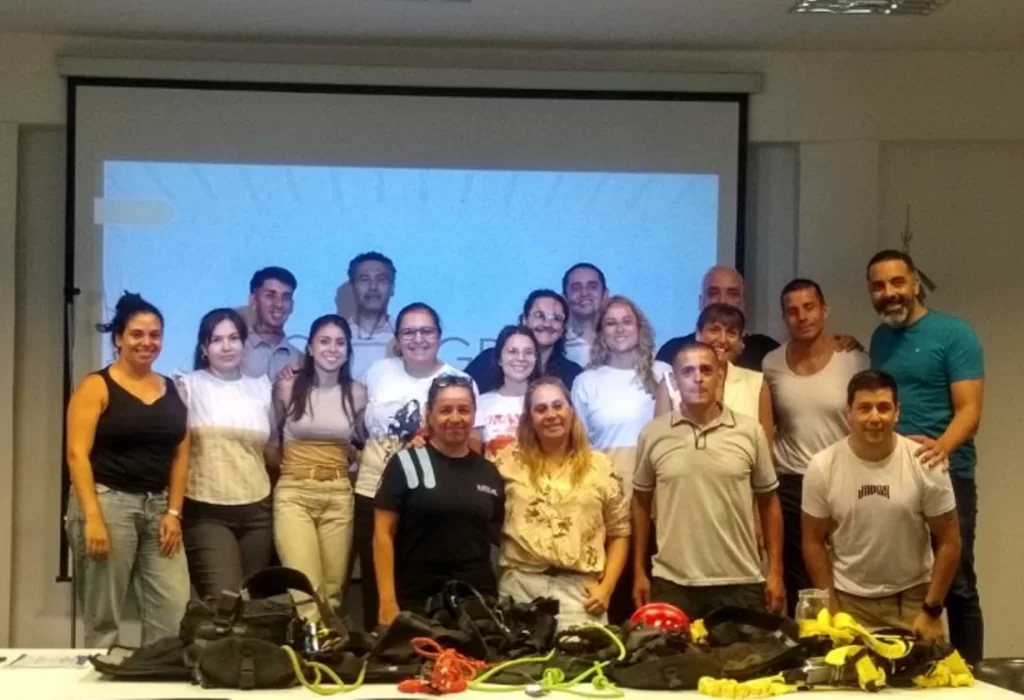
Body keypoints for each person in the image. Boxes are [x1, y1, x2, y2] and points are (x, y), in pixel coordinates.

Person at [866, 250, 984, 662]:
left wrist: (939, 448)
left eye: (897, 282)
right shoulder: (880, 339)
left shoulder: (954, 334)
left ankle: (971, 675)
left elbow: (970, 411)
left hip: (947, 474)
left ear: (915, 283)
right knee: (909, 580)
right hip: (896, 478)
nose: (889, 292)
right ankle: (918, 670)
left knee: (958, 583)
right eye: (878, 286)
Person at [64, 293, 189, 647]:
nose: (147, 342)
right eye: (137, 334)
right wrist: (93, 518)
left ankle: (156, 674)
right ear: (118, 338)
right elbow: (76, 455)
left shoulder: (171, 388)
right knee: (103, 618)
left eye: (155, 335)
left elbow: (181, 454)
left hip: (158, 509)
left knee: (173, 610)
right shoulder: (96, 386)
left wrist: (173, 512)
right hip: (108, 503)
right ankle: (99, 676)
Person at [802, 370, 961, 637]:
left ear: (897, 412)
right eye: (864, 408)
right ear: (849, 413)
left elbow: (950, 541)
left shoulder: (925, 462)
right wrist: (833, 610)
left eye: (884, 408)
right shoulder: (822, 467)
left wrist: (931, 610)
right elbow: (812, 543)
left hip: (914, 603)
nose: (874, 418)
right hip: (848, 604)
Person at [632, 342, 785, 619]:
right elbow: (641, 503)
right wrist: (639, 571)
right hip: (673, 581)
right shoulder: (652, 434)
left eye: (706, 370)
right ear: (674, 381)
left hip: (741, 579)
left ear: (720, 377)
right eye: (688, 371)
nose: (698, 378)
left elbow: (769, 502)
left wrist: (775, 572)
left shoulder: (749, 432)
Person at [356, 303, 478, 629]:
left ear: (439, 335)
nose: (418, 339)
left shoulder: (459, 381)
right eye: (409, 332)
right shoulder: (377, 372)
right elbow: (353, 421)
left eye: (426, 331)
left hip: (428, 502)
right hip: (371, 491)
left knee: (419, 593)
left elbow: (470, 448)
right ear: (397, 338)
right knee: (377, 592)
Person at [762, 279, 869, 615]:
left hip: (844, 479)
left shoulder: (854, 360)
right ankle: (809, 642)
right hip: (793, 482)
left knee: (847, 570)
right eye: (792, 311)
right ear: (784, 318)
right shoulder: (771, 364)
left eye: (809, 307)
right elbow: (767, 427)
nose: (802, 316)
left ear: (825, 309)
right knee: (802, 582)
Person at [495, 378, 630, 630]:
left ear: (571, 411)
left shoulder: (600, 466)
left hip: (581, 594)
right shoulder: (505, 462)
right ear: (529, 419)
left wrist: (607, 588)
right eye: (541, 409)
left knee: (583, 657)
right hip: (520, 589)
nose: (551, 415)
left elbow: (619, 532)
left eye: (558, 406)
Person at [374, 375, 504, 624]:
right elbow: (382, 534)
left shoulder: (489, 472)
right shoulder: (405, 463)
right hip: (417, 603)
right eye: (445, 410)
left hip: (477, 604)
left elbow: (495, 537)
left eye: (463, 410)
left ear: (474, 414)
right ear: (429, 415)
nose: (455, 418)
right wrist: (387, 602)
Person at [570, 296, 667, 623]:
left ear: (640, 327)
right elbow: (579, 448)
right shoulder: (586, 382)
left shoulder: (664, 374)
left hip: (661, 502)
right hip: (609, 504)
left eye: (627, 321)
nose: (619, 328)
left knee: (656, 595)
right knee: (617, 597)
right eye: (610, 323)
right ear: (600, 332)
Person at [176, 308, 275, 600]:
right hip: (206, 511)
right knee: (224, 600)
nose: (227, 346)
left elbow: (272, 451)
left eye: (233, 338)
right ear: (204, 348)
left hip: (257, 511)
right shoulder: (187, 386)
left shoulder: (262, 389)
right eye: (217, 340)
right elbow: (175, 451)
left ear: (244, 344)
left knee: (254, 605)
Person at [274, 315, 366, 610]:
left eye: (340, 343)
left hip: (338, 494)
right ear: (310, 348)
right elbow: (271, 442)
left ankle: (327, 640)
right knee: (305, 590)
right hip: (294, 493)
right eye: (324, 341)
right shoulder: (288, 386)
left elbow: (361, 446)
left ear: (348, 351)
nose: (332, 349)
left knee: (333, 592)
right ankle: (312, 639)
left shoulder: (357, 393)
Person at [656, 304, 773, 440]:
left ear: (740, 341)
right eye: (714, 330)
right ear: (698, 334)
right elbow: (660, 443)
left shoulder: (757, 384)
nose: (722, 340)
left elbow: (765, 447)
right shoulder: (671, 383)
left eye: (731, 333)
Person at [656, 266, 780, 370]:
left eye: (732, 294)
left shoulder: (765, 351)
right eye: (713, 293)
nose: (722, 301)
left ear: (743, 303)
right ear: (701, 302)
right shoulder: (673, 351)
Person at [464, 290, 583, 394]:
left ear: (563, 328)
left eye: (556, 318)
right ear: (524, 320)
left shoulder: (572, 374)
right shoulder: (488, 360)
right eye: (539, 315)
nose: (547, 324)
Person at [475, 325, 542, 457]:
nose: (521, 358)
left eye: (528, 352)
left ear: (536, 358)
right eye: (512, 351)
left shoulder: (546, 402)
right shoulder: (481, 404)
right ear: (500, 359)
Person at [242, 266, 303, 380]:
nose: (279, 304)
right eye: (270, 295)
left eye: (286, 297)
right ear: (253, 300)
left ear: (292, 306)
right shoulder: (236, 349)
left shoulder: (301, 361)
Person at [344, 252, 397, 382]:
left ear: (392, 288)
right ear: (352, 287)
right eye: (364, 280)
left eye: (381, 280)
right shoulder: (337, 338)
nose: (373, 287)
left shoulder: (406, 338)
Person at [562, 263, 609, 367]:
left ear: (605, 294)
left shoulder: (620, 339)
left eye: (592, 287)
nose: (584, 293)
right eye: (576, 288)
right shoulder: (557, 346)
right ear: (564, 298)